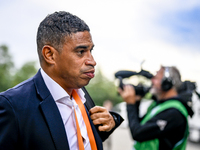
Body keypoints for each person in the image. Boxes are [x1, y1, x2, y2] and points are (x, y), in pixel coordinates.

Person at [0, 11, 123, 150]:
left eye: (90, 51)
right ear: (50, 55)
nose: (92, 61)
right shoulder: (12, 106)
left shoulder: (81, 93)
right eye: (81, 52)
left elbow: (80, 140)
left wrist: (111, 121)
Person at [118, 66, 193, 150]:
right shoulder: (158, 105)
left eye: (156, 78)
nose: (152, 81)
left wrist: (130, 104)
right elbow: (139, 124)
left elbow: (138, 133)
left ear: (167, 83)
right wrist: (136, 102)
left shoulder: (174, 112)